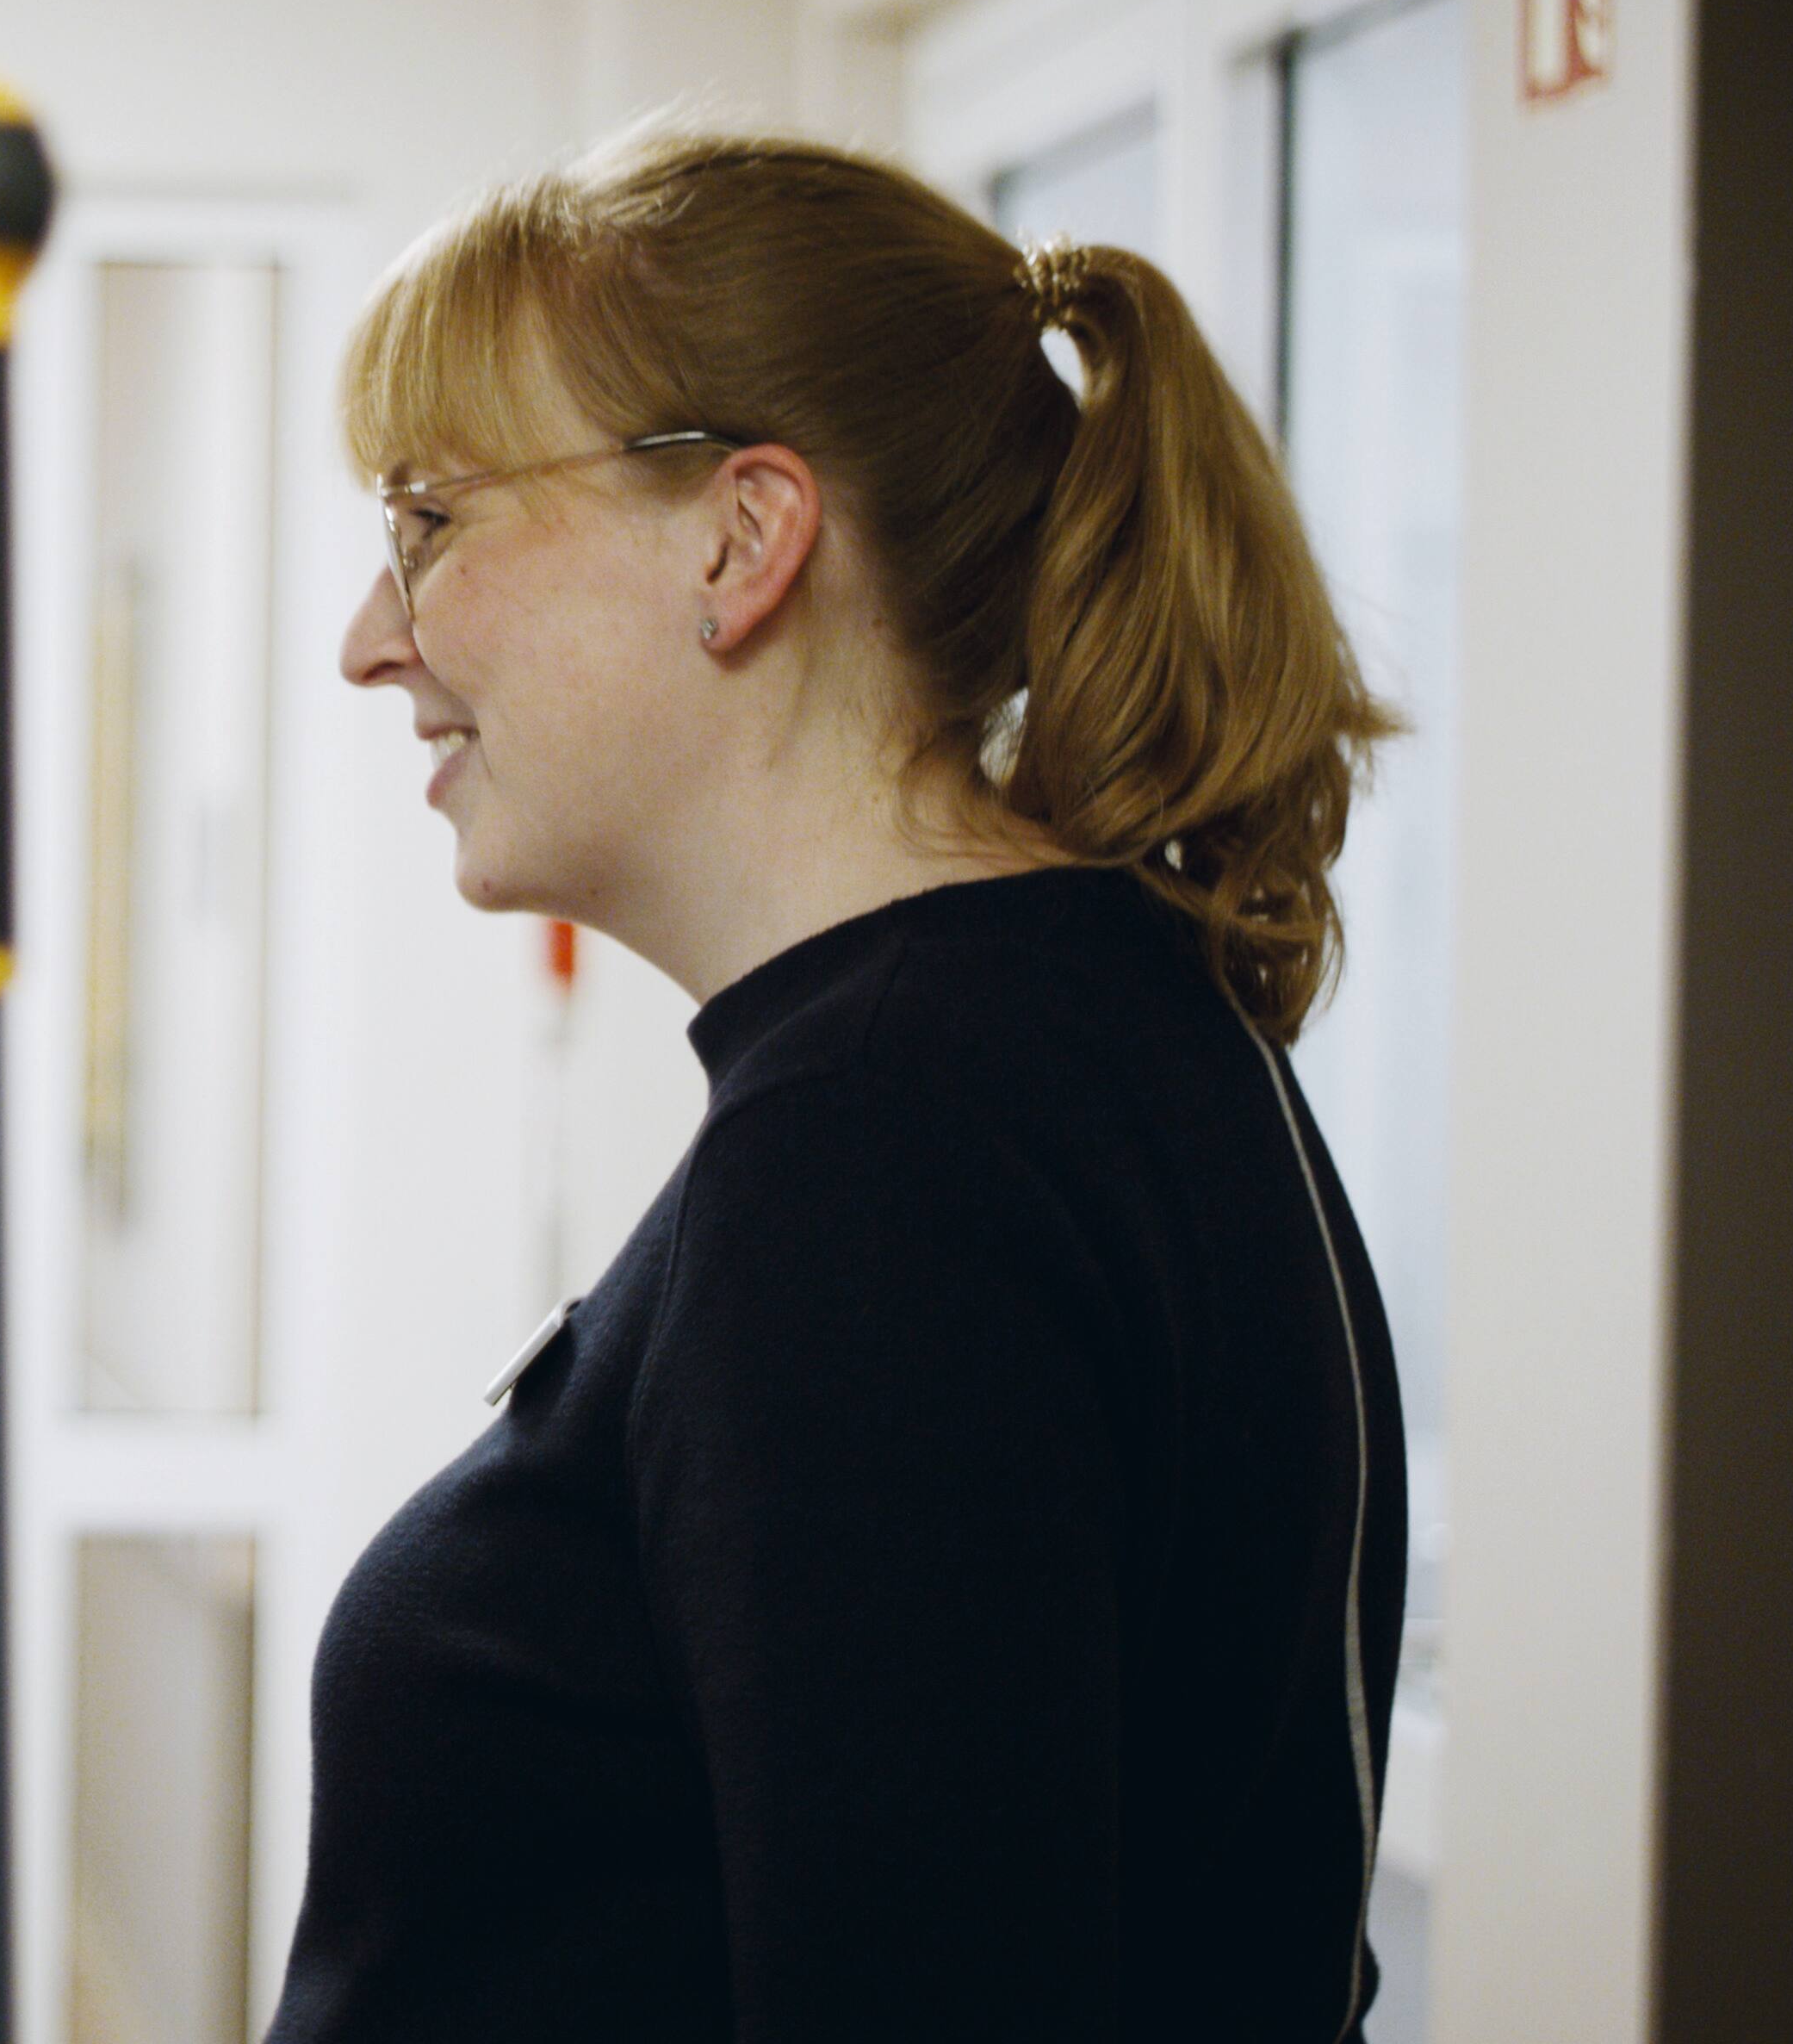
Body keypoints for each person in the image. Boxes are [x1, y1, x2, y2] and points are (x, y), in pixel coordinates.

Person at [272, 129, 1407, 2042]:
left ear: (742, 538)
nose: (372, 642)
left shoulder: (888, 1165)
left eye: (431, 520)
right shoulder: (1074, 1040)